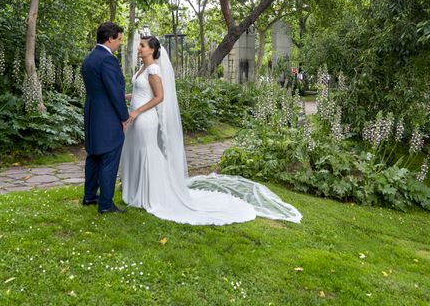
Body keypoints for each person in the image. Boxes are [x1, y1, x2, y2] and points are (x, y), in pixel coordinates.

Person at [120, 34, 301, 225]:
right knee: (136, 151)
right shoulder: (143, 68)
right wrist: (124, 96)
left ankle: (152, 195)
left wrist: (137, 112)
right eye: (139, 45)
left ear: (152, 50)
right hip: (135, 116)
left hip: (144, 118)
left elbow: (159, 97)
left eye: (142, 46)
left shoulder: (154, 69)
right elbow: (142, 92)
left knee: (147, 152)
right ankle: (136, 191)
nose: (139, 48)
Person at [81, 22, 130, 214]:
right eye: (119, 39)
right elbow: (114, 91)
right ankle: (106, 204)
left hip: (92, 112)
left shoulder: (90, 58)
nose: (119, 43)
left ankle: (90, 195)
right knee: (110, 156)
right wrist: (124, 116)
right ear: (110, 38)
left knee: (93, 155)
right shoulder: (108, 60)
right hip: (107, 116)